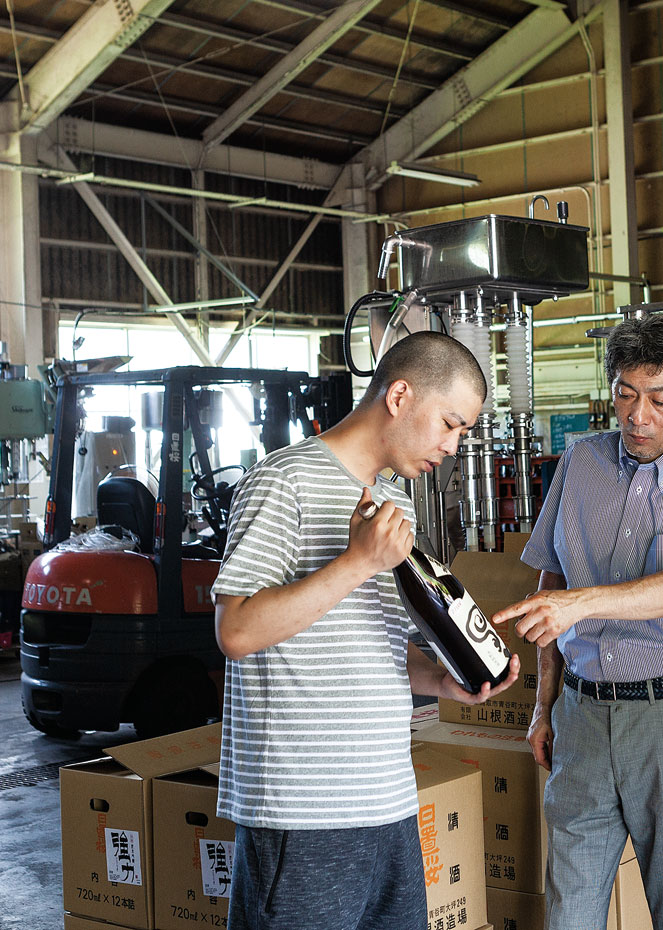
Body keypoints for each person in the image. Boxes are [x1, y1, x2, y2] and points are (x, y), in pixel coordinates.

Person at [212, 331, 519, 930]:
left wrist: (440, 681)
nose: (452, 447)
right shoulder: (283, 481)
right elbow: (236, 631)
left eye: (462, 433)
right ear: (400, 396)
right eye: (450, 424)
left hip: (389, 800)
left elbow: (370, 640)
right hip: (304, 814)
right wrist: (358, 562)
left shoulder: (392, 500)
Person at [492, 316, 663, 930]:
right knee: (569, 907)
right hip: (581, 717)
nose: (638, 416)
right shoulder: (581, 462)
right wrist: (542, 707)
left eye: (659, 399)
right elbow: (552, 584)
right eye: (625, 394)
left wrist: (581, 605)